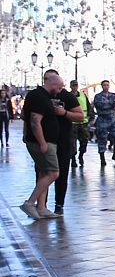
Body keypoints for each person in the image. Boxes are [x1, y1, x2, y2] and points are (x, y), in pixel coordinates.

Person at [20, 70, 68, 219]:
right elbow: (35, 121)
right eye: (59, 88)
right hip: (43, 142)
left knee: (44, 173)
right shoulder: (39, 97)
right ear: (52, 84)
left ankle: (41, 207)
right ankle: (29, 203)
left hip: (45, 141)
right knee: (53, 173)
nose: (60, 91)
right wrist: (42, 143)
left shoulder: (41, 96)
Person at [52, 77, 85, 215]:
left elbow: (81, 115)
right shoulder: (40, 95)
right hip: (46, 140)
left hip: (64, 138)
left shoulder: (68, 96)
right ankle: (40, 204)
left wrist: (64, 113)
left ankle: (59, 204)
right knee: (45, 173)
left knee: (61, 172)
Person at [93, 79, 115, 166]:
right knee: (102, 139)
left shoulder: (112, 95)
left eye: (107, 85)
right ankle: (102, 158)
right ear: (102, 86)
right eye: (104, 85)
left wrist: (108, 102)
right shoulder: (98, 96)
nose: (106, 86)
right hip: (102, 120)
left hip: (112, 119)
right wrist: (110, 103)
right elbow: (99, 105)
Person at [69, 80, 92, 168]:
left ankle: (81, 155)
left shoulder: (83, 95)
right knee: (72, 143)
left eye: (76, 85)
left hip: (83, 123)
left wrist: (91, 119)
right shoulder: (68, 96)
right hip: (72, 123)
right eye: (73, 85)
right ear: (70, 86)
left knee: (84, 141)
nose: (75, 87)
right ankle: (73, 159)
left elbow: (89, 107)